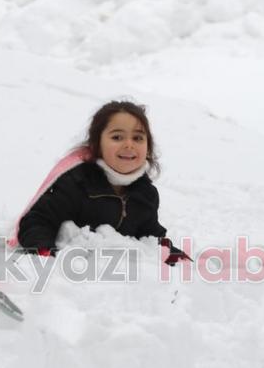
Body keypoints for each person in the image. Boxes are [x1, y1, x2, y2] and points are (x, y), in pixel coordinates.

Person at [16, 100, 189, 264]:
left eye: (138, 138)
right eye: (117, 137)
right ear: (97, 144)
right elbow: (37, 221)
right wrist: (45, 255)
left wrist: (180, 261)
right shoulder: (76, 183)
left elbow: (151, 237)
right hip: (73, 274)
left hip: (117, 283)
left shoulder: (146, 194)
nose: (129, 145)